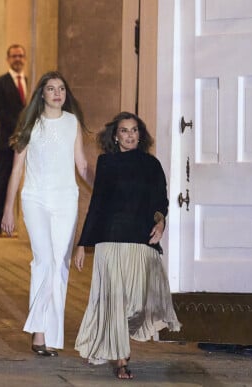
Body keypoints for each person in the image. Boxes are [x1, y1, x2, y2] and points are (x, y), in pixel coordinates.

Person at [73, 111, 181, 379]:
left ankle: (114, 346)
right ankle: (122, 359)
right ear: (116, 136)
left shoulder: (151, 164)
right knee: (114, 301)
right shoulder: (107, 163)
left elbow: (161, 202)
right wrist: (81, 244)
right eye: (124, 130)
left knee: (136, 301)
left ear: (140, 135)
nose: (130, 135)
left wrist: (161, 222)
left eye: (134, 130)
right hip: (110, 241)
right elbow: (97, 205)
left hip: (140, 241)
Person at [1, 71, 93, 356]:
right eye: (51, 88)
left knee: (60, 264)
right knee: (44, 260)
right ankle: (39, 333)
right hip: (35, 198)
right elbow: (17, 170)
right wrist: (8, 210)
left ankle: (51, 335)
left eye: (61, 89)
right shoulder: (31, 125)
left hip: (66, 199)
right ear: (41, 93)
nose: (57, 93)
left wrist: (102, 187)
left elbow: (82, 165)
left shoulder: (72, 123)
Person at [0, 44, 27, 234]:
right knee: (3, 181)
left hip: (27, 141)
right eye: (14, 56)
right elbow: (0, 112)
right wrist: (21, 130)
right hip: (7, 140)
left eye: (20, 56)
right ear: (8, 59)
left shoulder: (29, 81)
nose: (18, 59)